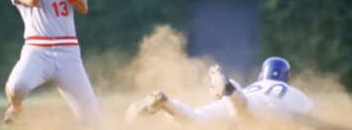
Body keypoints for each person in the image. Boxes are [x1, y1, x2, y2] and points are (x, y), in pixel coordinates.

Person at [0, 0, 102, 129]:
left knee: (92, 120)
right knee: (16, 87)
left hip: (68, 53)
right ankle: (15, 107)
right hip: (37, 50)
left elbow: (84, 6)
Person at [126, 56, 314, 128]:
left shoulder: (256, 86)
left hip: (246, 95)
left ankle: (166, 103)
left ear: (261, 75)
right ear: (287, 77)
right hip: (271, 108)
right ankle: (230, 89)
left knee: (194, 120)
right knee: (245, 108)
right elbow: (310, 120)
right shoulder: (295, 93)